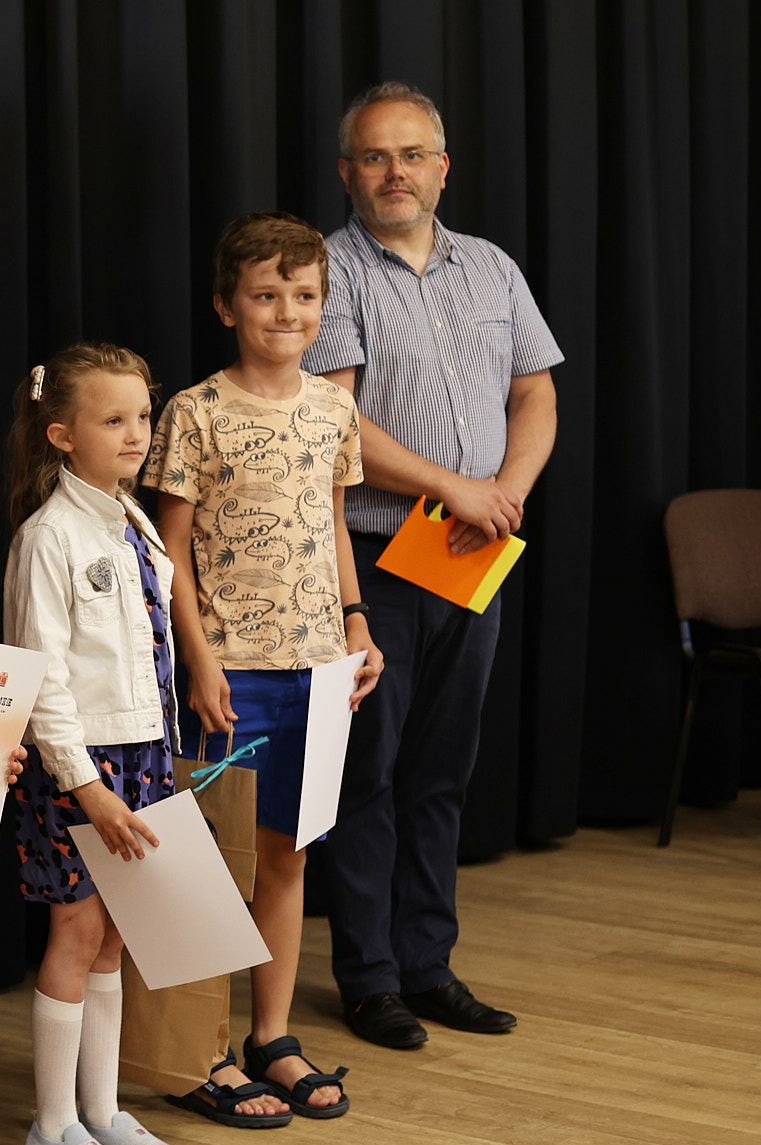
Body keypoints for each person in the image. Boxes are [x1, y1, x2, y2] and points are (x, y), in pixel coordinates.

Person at [301, 81, 562, 1049]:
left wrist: (504, 492)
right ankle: (370, 978)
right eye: (374, 157)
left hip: (473, 548)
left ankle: (429, 964)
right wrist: (456, 488)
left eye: (412, 155)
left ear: (442, 167)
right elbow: (334, 419)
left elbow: (534, 393)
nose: (394, 173)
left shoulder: (490, 268)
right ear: (346, 172)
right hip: (374, 554)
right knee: (367, 770)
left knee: (442, 768)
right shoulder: (327, 271)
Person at [144, 211, 383, 1124]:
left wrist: (357, 623)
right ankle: (198, 1048)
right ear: (226, 306)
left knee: (287, 855)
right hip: (230, 675)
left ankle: (270, 1037)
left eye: (305, 295)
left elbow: (333, 526)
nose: (288, 312)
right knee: (208, 862)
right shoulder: (195, 412)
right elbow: (169, 552)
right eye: (267, 295)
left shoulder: (333, 409)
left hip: (318, 671)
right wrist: (198, 662)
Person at [3, 344, 194, 1145]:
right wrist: (87, 785)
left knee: (118, 930)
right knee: (78, 930)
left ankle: (103, 1110)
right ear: (62, 434)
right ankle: (52, 1127)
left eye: (142, 416)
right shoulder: (49, 536)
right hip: (78, 765)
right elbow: (40, 677)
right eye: (113, 419)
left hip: (141, 751)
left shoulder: (134, 521)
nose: (135, 434)